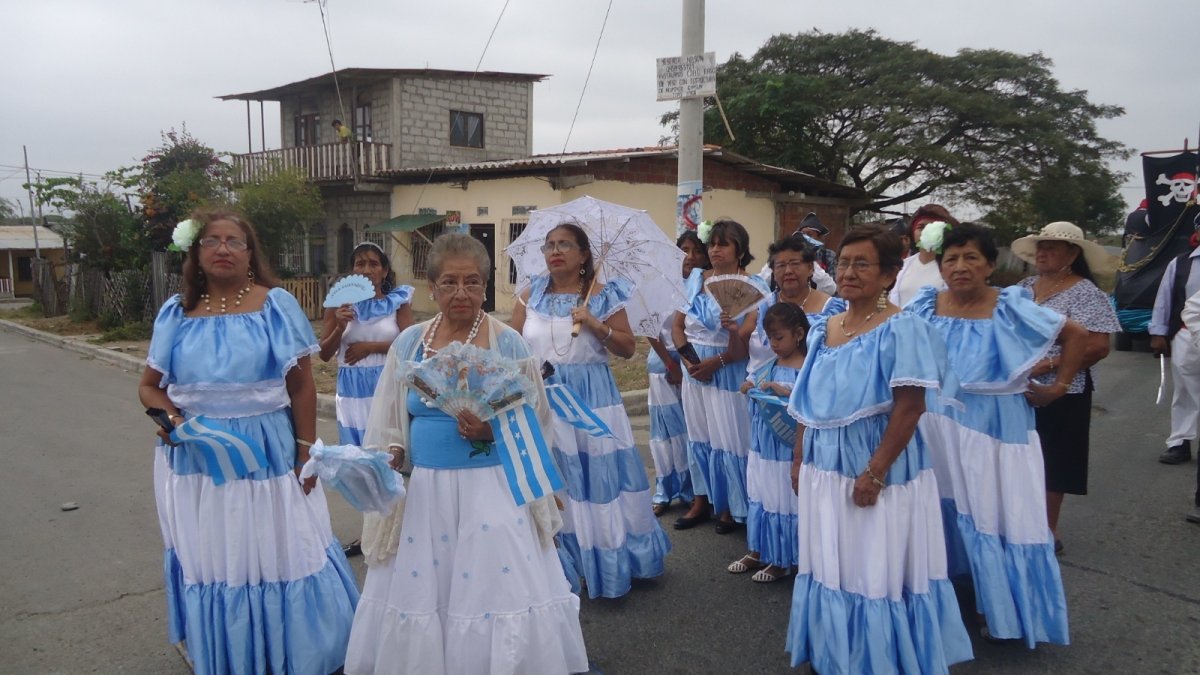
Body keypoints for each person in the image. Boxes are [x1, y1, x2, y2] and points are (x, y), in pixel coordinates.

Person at [345, 233, 588, 674]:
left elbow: (536, 420)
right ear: (432, 287)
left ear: (486, 287)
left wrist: (492, 429)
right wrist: (395, 451)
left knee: (495, 591)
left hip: (492, 490)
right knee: (426, 591)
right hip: (426, 495)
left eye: (473, 283)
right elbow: (390, 419)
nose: (462, 293)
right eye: (450, 282)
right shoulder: (410, 345)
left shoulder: (508, 343)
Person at [138, 208, 359, 675]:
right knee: (219, 556)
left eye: (234, 241)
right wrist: (174, 421)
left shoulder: (274, 304)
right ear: (196, 253)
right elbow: (150, 386)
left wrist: (306, 454)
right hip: (196, 459)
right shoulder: (175, 313)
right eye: (212, 241)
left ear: (249, 252)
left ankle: (300, 655)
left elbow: (301, 386)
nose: (222, 249)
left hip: (267, 452)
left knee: (279, 548)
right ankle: (233, 655)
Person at [784, 225, 972, 674]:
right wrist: (798, 458)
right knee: (833, 557)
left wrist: (876, 471)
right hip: (823, 463)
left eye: (861, 264)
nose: (848, 272)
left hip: (875, 461)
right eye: (844, 262)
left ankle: (878, 656)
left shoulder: (904, 327)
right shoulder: (826, 327)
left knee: (874, 561)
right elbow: (808, 404)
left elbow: (910, 407)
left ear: (889, 274)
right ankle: (837, 647)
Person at [909, 222, 1087, 646]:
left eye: (972, 257)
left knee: (993, 511)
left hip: (995, 429)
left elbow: (1076, 335)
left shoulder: (1010, 305)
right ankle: (958, 588)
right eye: (951, 258)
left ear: (990, 265)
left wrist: (1057, 388)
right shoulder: (926, 305)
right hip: (938, 423)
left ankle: (1003, 607)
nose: (960, 266)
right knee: (947, 505)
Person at [510, 223, 671, 599]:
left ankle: (600, 562)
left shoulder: (603, 294)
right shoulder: (530, 293)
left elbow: (628, 349)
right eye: (550, 245)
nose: (555, 251)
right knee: (553, 478)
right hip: (541, 397)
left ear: (584, 255)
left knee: (593, 478)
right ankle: (557, 564)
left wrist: (597, 325)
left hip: (590, 398)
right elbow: (511, 344)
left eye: (565, 244)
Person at [1013, 221, 1120, 547]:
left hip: (1064, 389)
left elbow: (1097, 347)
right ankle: (1017, 524)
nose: (1043, 252)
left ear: (1072, 254)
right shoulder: (1024, 286)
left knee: (1053, 459)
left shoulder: (1085, 292)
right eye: (1041, 246)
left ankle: (1046, 530)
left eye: (1053, 247)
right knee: (1018, 455)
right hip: (1017, 386)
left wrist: (1046, 365)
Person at [319, 241, 414, 557]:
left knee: (390, 458)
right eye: (360, 264)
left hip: (385, 386)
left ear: (384, 270)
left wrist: (372, 347)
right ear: (352, 270)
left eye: (374, 263)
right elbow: (325, 352)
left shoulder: (398, 302)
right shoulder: (340, 305)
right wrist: (341, 326)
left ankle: (402, 530)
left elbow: (410, 345)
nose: (367, 270)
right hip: (351, 392)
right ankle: (370, 532)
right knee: (362, 464)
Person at [672, 219, 768, 533]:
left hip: (728, 369)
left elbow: (746, 343)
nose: (715, 250)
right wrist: (689, 361)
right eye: (712, 243)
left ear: (740, 251)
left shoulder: (754, 286)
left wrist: (718, 360)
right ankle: (702, 499)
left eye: (723, 244)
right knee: (698, 436)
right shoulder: (697, 278)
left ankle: (732, 505)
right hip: (694, 369)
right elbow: (677, 325)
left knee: (730, 439)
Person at [730, 303, 809, 583]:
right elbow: (746, 384)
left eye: (780, 338)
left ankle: (789, 559)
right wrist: (748, 387)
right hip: (764, 448)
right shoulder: (769, 366)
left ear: (798, 334)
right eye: (770, 338)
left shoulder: (807, 368)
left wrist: (781, 391)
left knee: (787, 500)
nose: (774, 345)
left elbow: (808, 402)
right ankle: (764, 550)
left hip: (788, 450)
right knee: (765, 495)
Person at [646, 231, 707, 516]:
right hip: (663, 364)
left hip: (694, 363)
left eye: (696, 250)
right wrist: (671, 365)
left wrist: (686, 364)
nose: (691, 256)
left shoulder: (704, 287)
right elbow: (650, 330)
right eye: (685, 249)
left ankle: (691, 491)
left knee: (691, 431)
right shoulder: (662, 285)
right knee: (664, 433)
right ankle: (663, 491)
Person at [746, 236, 846, 379]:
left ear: (810, 268)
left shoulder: (833, 309)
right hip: (764, 393)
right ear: (773, 271)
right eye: (780, 265)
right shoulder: (763, 307)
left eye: (795, 264)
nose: (788, 271)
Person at [1149, 224, 1200, 465]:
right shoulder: (1181, 263)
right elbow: (1165, 298)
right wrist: (1158, 332)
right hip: (1186, 334)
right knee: (1183, 390)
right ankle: (1179, 443)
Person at [888, 203, 959, 307]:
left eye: (934, 226)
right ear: (913, 232)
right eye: (921, 227)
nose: (927, 231)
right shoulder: (901, 266)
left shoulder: (955, 267)